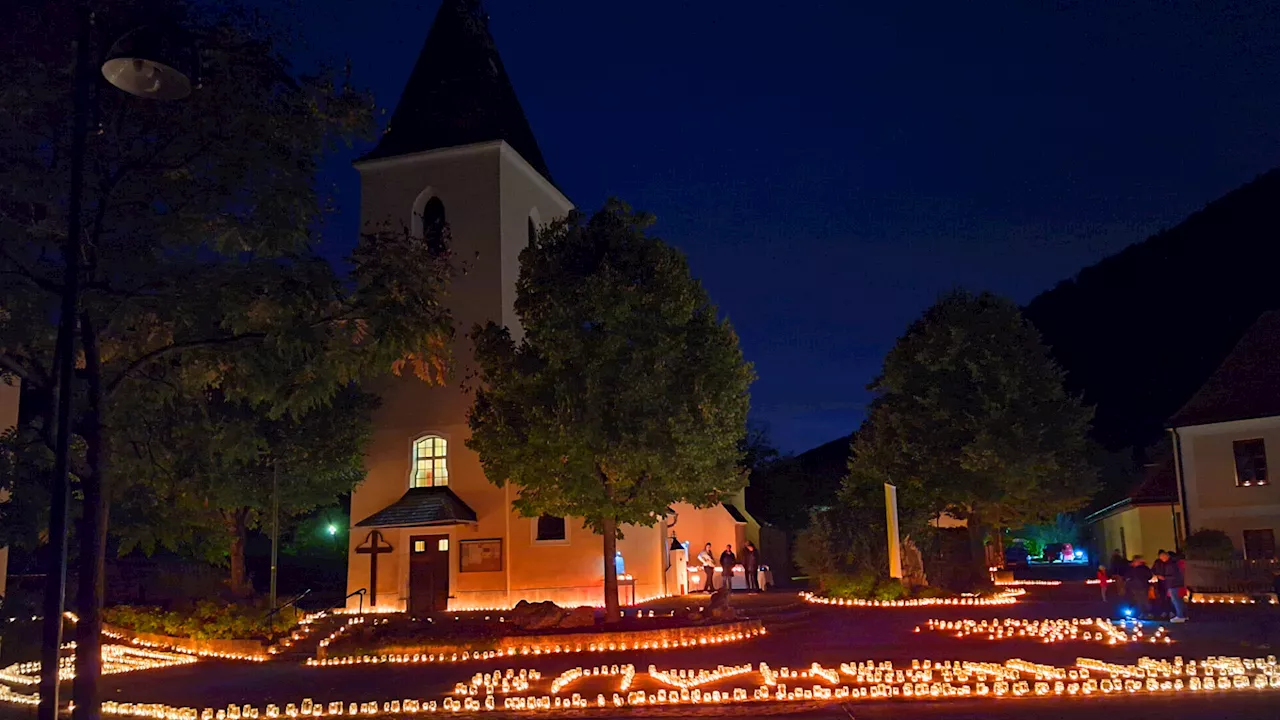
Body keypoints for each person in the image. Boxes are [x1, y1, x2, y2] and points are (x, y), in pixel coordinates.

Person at [1157, 549, 1188, 623]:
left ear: (1165, 556)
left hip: (1173, 584)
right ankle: (1183, 615)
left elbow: (1174, 575)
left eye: (1162, 558)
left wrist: (1164, 577)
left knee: (1176, 600)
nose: (1162, 560)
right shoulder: (1174, 563)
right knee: (1179, 600)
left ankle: (1180, 616)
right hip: (1176, 584)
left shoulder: (1171, 564)